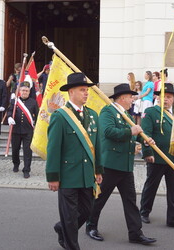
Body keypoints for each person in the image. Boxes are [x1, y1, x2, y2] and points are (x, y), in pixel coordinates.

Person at [86, 83, 156, 246]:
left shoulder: (127, 115)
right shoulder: (108, 111)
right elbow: (108, 132)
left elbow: (134, 134)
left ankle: (135, 233)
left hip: (125, 165)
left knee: (130, 201)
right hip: (110, 164)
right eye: (131, 97)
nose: (133, 100)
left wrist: (145, 140)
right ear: (122, 98)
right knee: (100, 198)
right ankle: (91, 226)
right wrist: (131, 132)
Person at [46, 72, 103, 250]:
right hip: (68, 176)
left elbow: (97, 146)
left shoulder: (93, 115)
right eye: (82, 90)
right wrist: (53, 176)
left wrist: (98, 170)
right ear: (71, 92)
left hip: (87, 175)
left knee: (86, 211)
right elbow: (53, 149)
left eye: (87, 90)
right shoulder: (60, 116)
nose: (86, 93)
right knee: (70, 216)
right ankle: (72, 245)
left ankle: (61, 228)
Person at [140, 83, 174, 230]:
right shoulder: (151, 112)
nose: (166, 100)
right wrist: (147, 153)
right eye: (163, 97)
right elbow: (145, 134)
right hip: (157, 157)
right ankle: (144, 211)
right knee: (151, 186)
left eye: (169, 97)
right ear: (157, 97)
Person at [7, 81, 39, 178]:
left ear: (29, 92)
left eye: (26, 90)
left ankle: (26, 170)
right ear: (19, 91)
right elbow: (9, 111)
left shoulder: (33, 102)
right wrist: (9, 117)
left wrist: (37, 128)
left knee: (27, 151)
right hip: (16, 130)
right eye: (23, 90)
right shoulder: (15, 101)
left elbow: (37, 116)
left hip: (28, 131)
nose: (24, 92)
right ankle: (16, 164)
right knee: (15, 150)